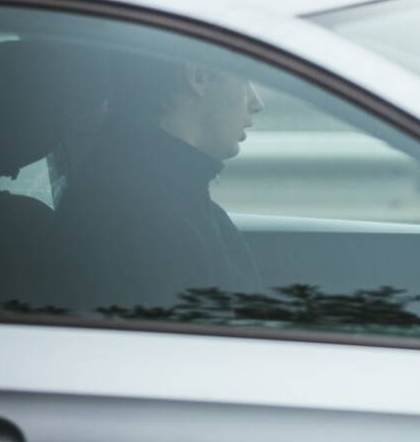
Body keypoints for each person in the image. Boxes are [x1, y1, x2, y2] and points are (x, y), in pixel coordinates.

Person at [48, 53, 265, 311]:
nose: (256, 102)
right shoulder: (139, 217)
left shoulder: (161, 190)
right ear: (198, 77)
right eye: (245, 80)